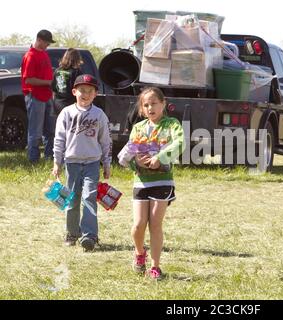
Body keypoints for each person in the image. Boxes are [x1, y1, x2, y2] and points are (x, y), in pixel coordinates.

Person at [118, 87, 185, 279]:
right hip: (141, 183)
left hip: (162, 181)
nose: (150, 108)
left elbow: (180, 143)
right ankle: (140, 253)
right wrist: (135, 163)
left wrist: (161, 158)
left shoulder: (171, 124)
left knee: (155, 224)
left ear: (163, 104)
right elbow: (125, 156)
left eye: (154, 103)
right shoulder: (138, 129)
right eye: (146, 105)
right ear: (141, 109)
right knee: (139, 224)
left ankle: (155, 267)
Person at [52, 74, 112, 252]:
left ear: (95, 94)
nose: (85, 94)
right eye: (82, 90)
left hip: (92, 163)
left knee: (89, 198)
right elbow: (59, 139)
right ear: (74, 91)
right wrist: (57, 162)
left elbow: (105, 141)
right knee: (71, 199)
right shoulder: (67, 113)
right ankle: (72, 233)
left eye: (90, 91)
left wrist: (106, 163)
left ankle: (90, 236)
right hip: (72, 163)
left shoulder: (99, 114)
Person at [21, 29, 56, 163]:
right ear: (39, 40)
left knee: (50, 130)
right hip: (35, 96)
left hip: (47, 96)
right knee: (35, 132)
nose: (48, 45)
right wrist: (48, 82)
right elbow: (28, 80)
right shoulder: (30, 56)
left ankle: (49, 158)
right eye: (46, 42)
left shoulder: (44, 54)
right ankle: (33, 160)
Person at [52, 48, 83, 115]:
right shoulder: (76, 72)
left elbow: (54, 90)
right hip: (71, 105)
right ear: (76, 58)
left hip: (58, 105)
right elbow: (80, 89)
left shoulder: (57, 70)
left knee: (60, 124)